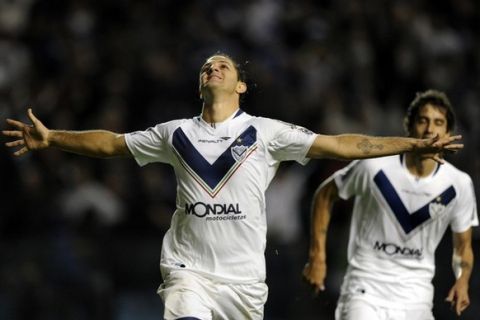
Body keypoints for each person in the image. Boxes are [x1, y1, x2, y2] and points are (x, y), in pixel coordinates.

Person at [3, 54, 463, 320]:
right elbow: (111, 145)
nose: (212, 68)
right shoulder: (174, 133)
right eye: (206, 66)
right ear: (199, 84)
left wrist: (412, 143)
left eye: (222, 65)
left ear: (241, 85)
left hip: (245, 282)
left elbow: (344, 144)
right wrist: (53, 138)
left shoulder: (266, 132)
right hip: (189, 271)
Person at [303, 89, 478, 320]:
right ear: (410, 127)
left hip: (416, 297)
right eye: (423, 121)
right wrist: (317, 257)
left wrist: (463, 280)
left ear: (448, 132)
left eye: (438, 122)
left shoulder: (459, 184)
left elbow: (463, 247)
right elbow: (325, 194)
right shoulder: (374, 167)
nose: (430, 130)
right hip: (365, 291)